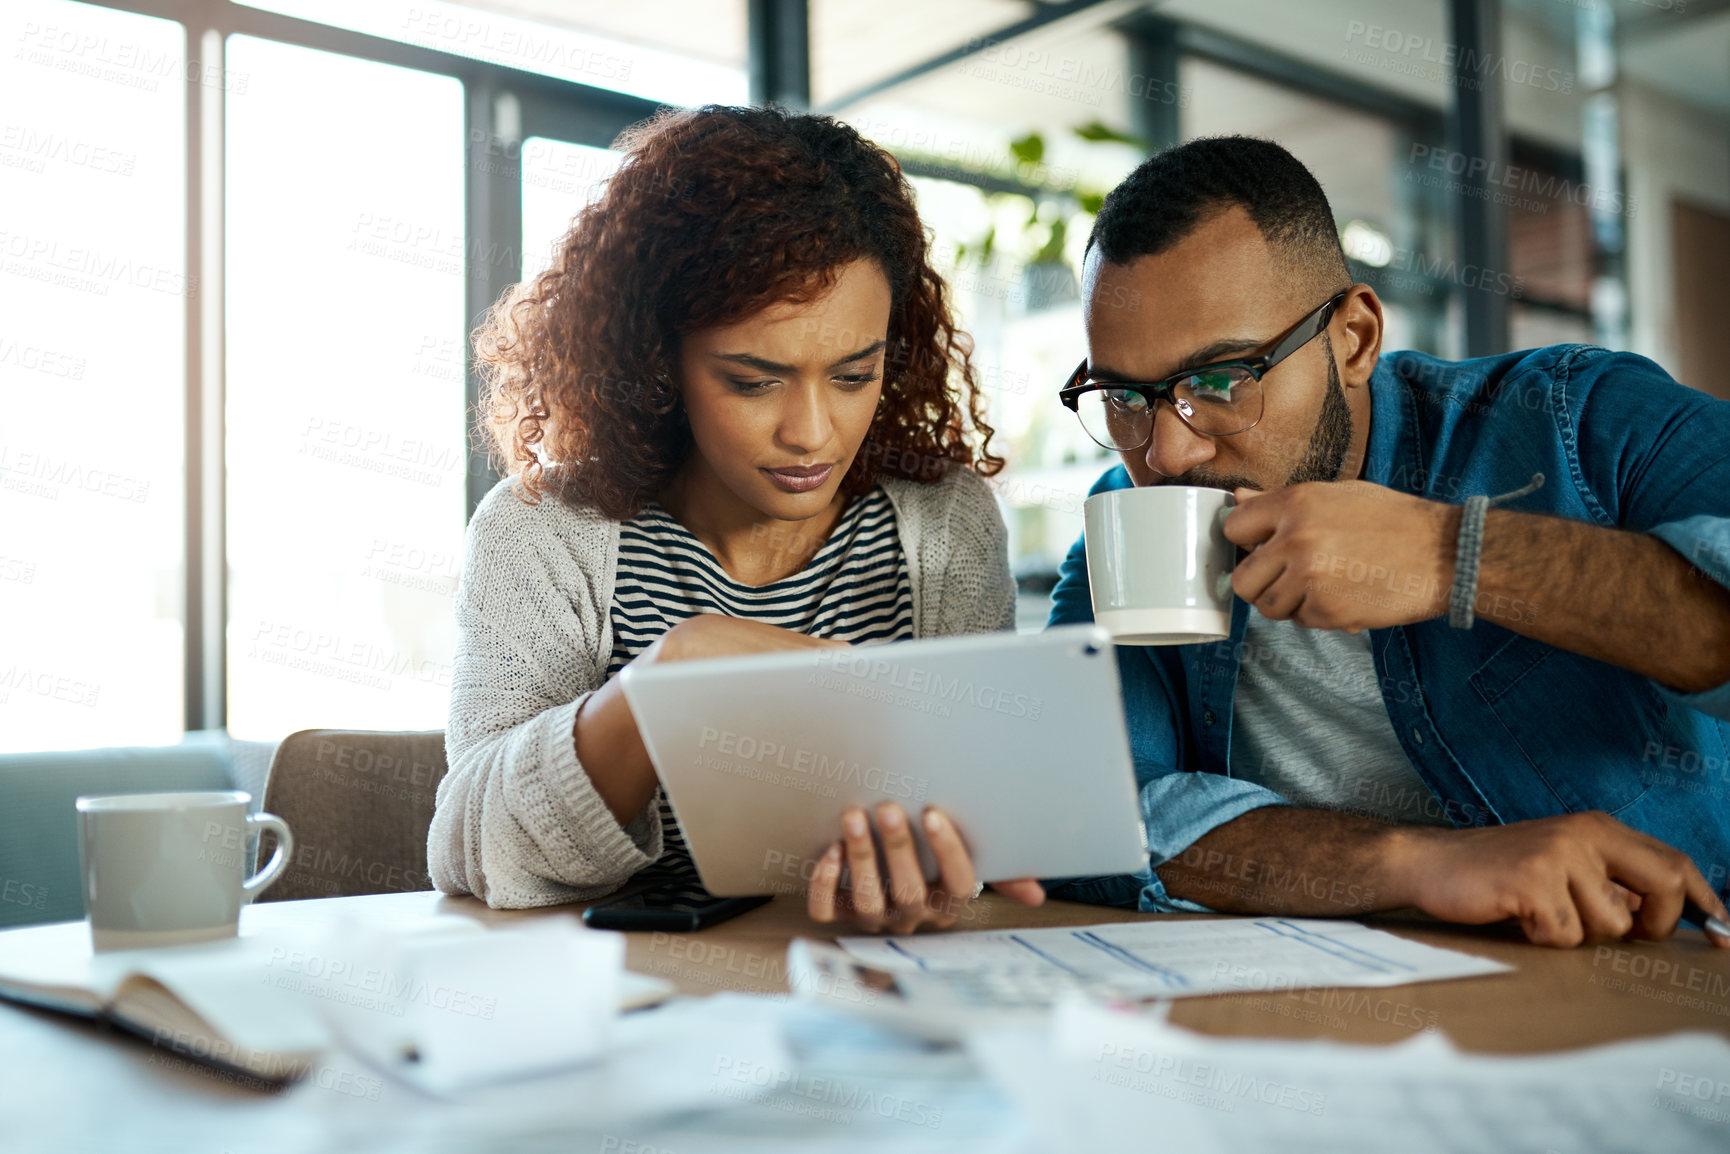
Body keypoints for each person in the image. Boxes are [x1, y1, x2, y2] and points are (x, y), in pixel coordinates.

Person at [1048, 134, 1730, 948]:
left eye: (1221, 382)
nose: (1166, 454)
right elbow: (1083, 809)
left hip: (1663, 970)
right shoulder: (1124, 521)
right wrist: (1420, 867)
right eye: (1123, 397)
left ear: (1355, 339)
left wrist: (1454, 557)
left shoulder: (1574, 419)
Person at [426, 105, 1044, 933]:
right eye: (754, 382)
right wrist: (672, 677)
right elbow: (469, 845)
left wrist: (949, 863)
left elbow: (980, 822)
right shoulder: (541, 532)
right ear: (657, 358)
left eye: (855, 374)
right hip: (623, 1006)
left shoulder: (945, 524)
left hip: (868, 995)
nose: (812, 433)